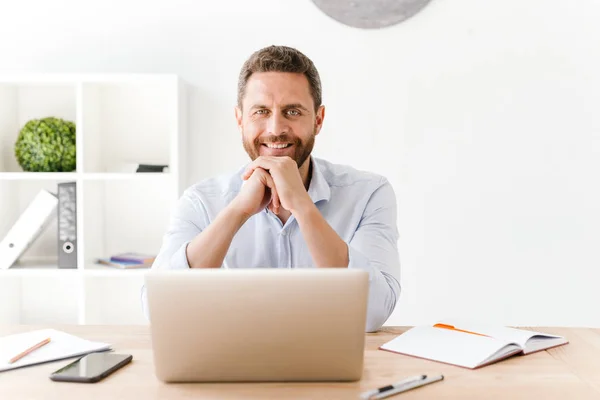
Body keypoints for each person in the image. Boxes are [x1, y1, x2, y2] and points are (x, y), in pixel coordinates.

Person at [143, 45, 400, 332]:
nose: (275, 128)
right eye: (261, 112)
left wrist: (302, 206)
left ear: (318, 119)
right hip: (230, 366)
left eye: (292, 111)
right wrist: (238, 211)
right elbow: (160, 310)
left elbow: (373, 312)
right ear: (240, 119)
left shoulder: (369, 194)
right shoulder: (201, 201)